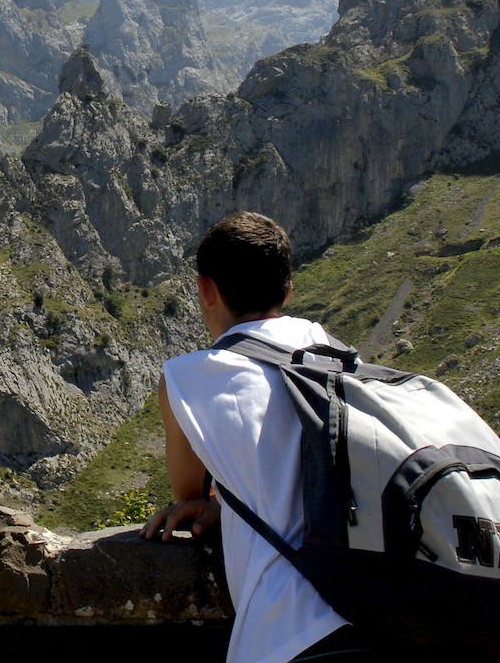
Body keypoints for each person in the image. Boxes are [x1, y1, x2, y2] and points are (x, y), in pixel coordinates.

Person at [142, 211, 367, 663]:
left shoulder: (185, 378)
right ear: (289, 289)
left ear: (206, 290)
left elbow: (189, 492)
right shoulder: (338, 355)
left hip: (285, 633)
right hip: (378, 609)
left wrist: (212, 503)